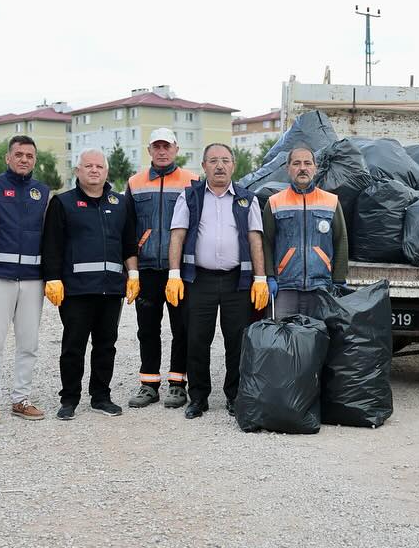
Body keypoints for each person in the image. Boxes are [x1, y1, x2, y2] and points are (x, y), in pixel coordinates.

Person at [166, 143, 269, 419]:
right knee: (197, 339)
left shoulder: (247, 199)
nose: (219, 166)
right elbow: (177, 235)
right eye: (213, 161)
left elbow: (255, 239)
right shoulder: (190, 197)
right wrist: (174, 274)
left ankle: (234, 396)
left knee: (237, 341)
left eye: (225, 160)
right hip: (200, 280)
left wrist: (260, 278)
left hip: (237, 281)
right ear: (204, 166)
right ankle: (198, 398)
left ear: (233, 165)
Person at [39, 149, 140, 421]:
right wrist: (53, 278)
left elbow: (129, 243)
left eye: (99, 166)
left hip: (111, 289)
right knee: (74, 346)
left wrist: (133, 274)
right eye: (88, 166)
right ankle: (69, 399)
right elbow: (52, 245)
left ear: (106, 172)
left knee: (106, 345)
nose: (94, 170)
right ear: (77, 171)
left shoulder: (120, 203)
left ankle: (101, 397)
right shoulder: (63, 203)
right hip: (76, 290)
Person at [0, 134, 50, 424]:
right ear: (8, 157)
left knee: (28, 343)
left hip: (32, 280)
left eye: (29, 156)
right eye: (19, 154)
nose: (24, 160)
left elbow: (50, 238)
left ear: (35, 160)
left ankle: (21, 399)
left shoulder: (43, 192)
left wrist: (51, 277)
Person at [127, 128, 199, 410]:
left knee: (182, 328)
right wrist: (131, 271)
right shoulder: (135, 183)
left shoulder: (192, 181)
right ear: (149, 151)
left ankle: (178, 384)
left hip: (179, 270)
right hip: (147, 269)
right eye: (156, 146)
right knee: (147, 329)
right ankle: (149, 384)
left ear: (176, 149)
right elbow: (127, 228)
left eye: (166, 146)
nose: (161, 151)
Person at [262, 144, 348, 319]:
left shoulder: (331, 202)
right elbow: (266, 243)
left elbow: (341, 240)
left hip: (321, 287)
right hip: (284, 287)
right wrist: (269, 277)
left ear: (315, 168)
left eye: (308, 163)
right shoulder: (274, 202)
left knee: (319, 334)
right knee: (283, 334)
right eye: (296, 163)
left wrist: (339, 280)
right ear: (288, 168)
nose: (302, 168)